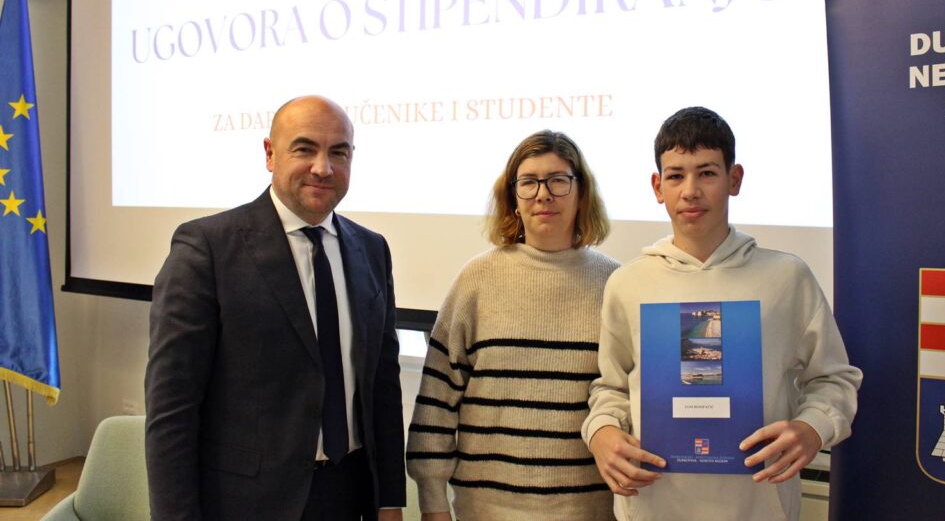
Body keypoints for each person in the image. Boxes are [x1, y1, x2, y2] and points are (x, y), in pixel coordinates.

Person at [583, 107, 862, 521]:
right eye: (676, 176)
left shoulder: (786, 277)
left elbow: (834, 378)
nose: (690, 191)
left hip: (759, 507)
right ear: (658, 186)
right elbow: (612, 388)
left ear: (734, 179)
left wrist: (812, 428)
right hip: (653, 507)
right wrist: (602, 433)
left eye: (707, 173)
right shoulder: (628, 283)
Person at [145, 95, 405, 521]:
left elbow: (383, 387)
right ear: (270, 154)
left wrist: (389, 499)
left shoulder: (372, 250)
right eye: (305, 149)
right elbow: (172, 410)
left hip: (348, 496)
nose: (323, 168)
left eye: (339, 152)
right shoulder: (207, 249)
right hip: (245, 504)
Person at [406, 130, 619, 521]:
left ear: (581, 193)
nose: (543, 194)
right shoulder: (476, 280)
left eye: (558, 180)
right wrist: (433, 502)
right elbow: (437, 401)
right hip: (485, 511)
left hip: (588, 510)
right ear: (513, 198)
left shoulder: (616, 286)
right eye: (528, 182)